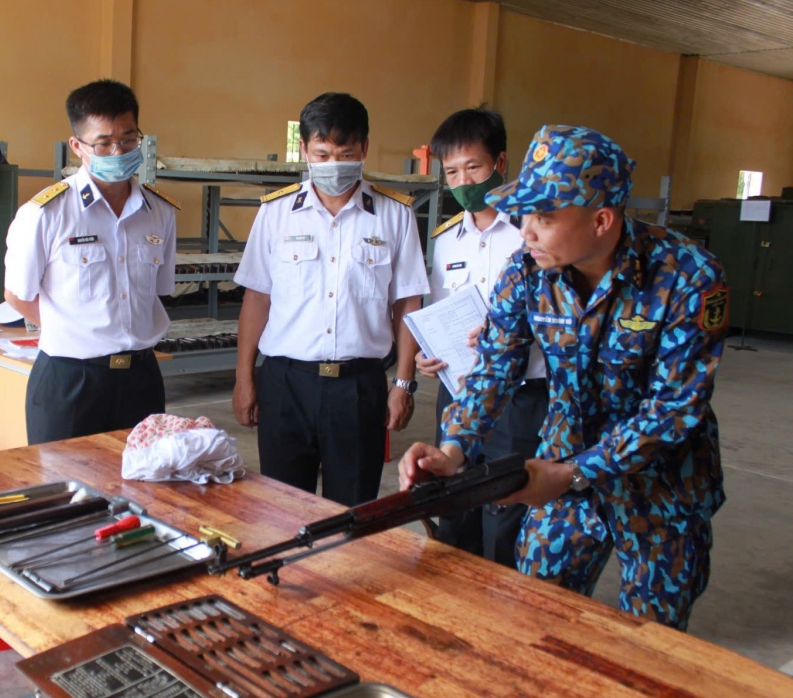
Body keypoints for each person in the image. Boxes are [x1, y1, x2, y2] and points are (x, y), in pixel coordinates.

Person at [398, 125, 729, 630]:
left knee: (652, 641)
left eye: (544, 217)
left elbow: (673, 410)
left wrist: (572, 472)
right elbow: (494, 367)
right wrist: (454, 448)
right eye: (524, 213)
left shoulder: (688, 276)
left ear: (601, 219)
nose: (526, 230)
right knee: (535, 617)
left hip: (663, 488)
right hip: (563, 477)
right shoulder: (528, 271)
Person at [233, 92, 429, 506]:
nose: (333, 164)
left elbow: (407, 303)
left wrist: (403, 383)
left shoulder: (395, 216)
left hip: (358, 389)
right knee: (282, 513)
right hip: (286, 384)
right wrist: (244, 377)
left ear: (365, 149)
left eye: (346, 153)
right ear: (303, 149)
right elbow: (257, 298)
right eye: (321, 153)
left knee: (354, 513)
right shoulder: (276, 213)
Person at [3, 79, 178, 444]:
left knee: (145, 492)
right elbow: (17, 295)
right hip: (70, 382)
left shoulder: (159, 213)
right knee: (69, 494)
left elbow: (157, 293)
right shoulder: (46, 213)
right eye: (103, 143)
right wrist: (75, 330)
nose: (118, 151)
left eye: (128, 139)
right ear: (78, 147)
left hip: (141, 381)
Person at [417, 108, 547, 568]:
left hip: (521, 398)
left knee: (507, 512)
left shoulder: (532, 234)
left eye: (473, 167)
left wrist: (505, 334)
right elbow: (435, 311)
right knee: (454, 506)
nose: (462, 180)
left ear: (501, 163)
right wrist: (425, 355)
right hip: (458, 392)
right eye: (451, 171)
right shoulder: (447, 240)